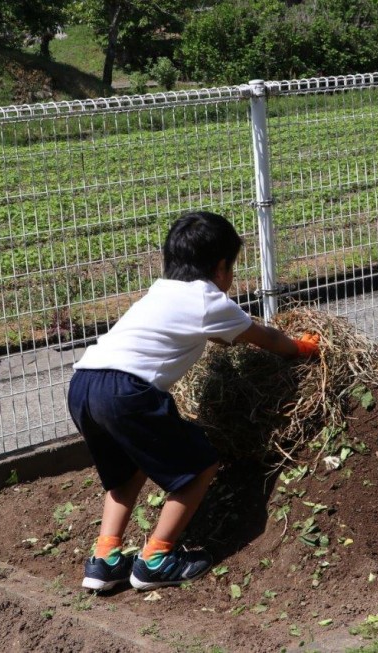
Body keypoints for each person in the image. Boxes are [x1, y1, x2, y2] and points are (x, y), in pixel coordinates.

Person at [68, 211, 320, 592]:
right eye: (233, 268)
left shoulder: (160, 292)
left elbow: (213, 335)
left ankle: (105, 559)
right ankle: (156, 558)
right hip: (127, 392)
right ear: (221, 268)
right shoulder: (209, 301)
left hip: (85, 383)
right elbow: (265, 338)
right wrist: (301, 347)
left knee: (126, 472)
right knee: (199, 465)